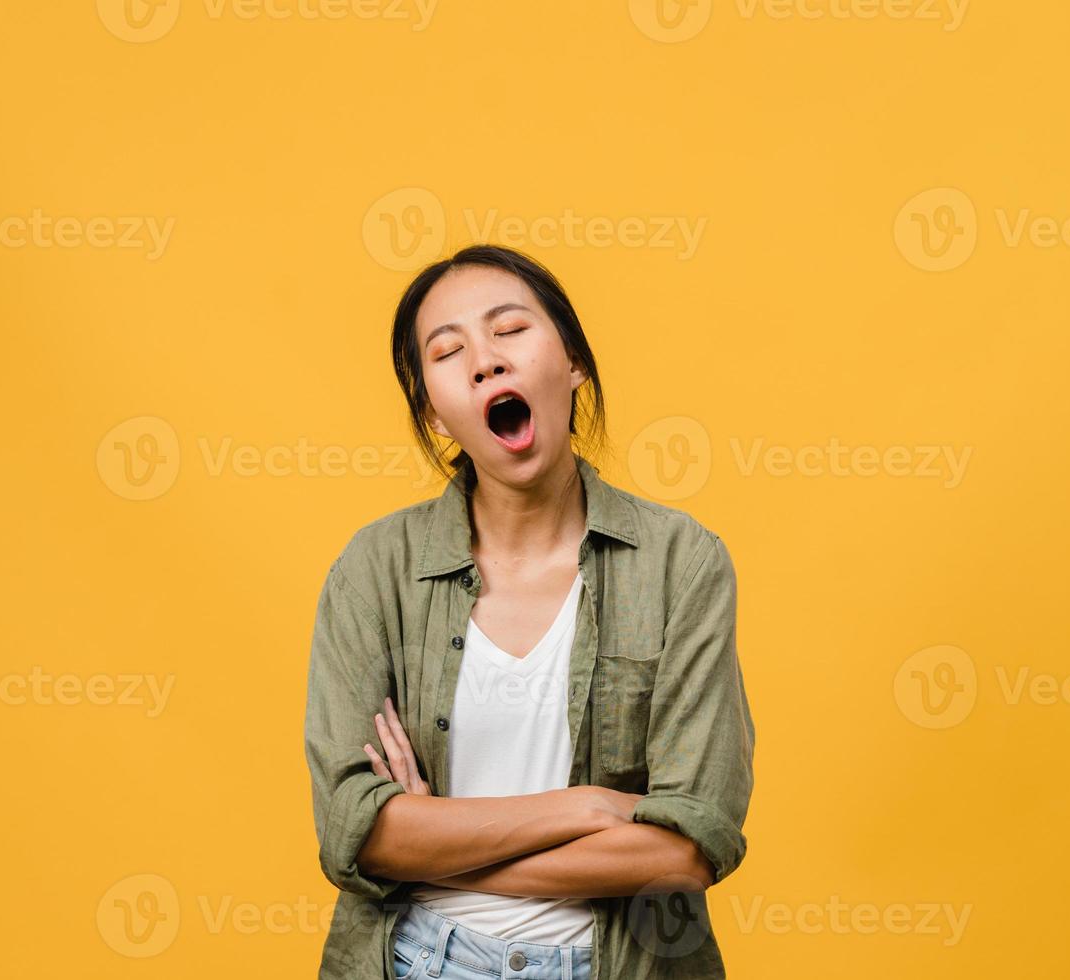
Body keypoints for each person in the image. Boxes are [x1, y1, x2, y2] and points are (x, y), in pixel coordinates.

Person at [304, 243, 755, 978]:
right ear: (437, 415)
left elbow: (686, 848)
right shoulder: (374, 570)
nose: (486, 360)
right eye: (448, 352)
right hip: (420, 959)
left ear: (573, 361)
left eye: (510, 330)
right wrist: (578, 807)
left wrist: (435, 851)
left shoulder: (682, 563)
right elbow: (356, 832)